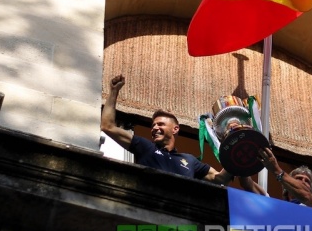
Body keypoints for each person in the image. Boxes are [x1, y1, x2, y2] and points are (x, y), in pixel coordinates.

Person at [100, 74, 234, 184]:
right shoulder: (146, 147)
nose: (154, 128)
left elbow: (220, 178)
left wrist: (237, 153)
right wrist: (113, 92)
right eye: (153, 125)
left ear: (175, 129)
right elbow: (108, 126)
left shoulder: (190, 160)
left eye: (160, 124)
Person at [256, 147, 312, 211]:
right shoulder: (277, 207)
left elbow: (306, 196)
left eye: (307, 181)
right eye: (299, 178)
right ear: (287, 185)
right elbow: (251, 186)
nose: (303, 182)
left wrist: (277, 170)